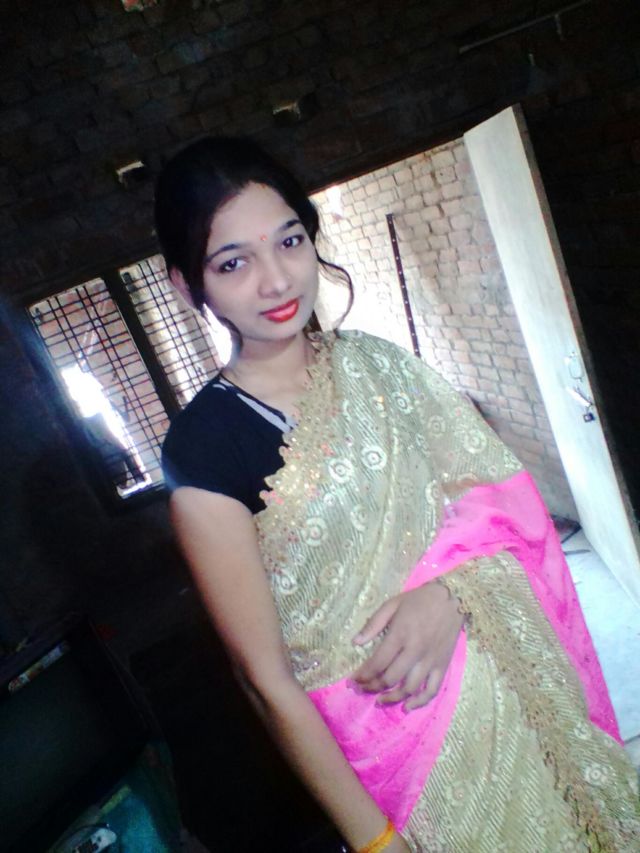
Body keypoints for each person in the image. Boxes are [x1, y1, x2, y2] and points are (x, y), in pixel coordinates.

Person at [156, 137, 639, 852]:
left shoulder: (379, 366)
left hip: (509, 692)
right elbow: (265, 679)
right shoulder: (204, 448)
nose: (277, 280)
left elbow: (498, 501)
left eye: (289, 240)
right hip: (396, 757)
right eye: (233, 262)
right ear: (186, 284)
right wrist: (375, 839)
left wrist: (452, 592)